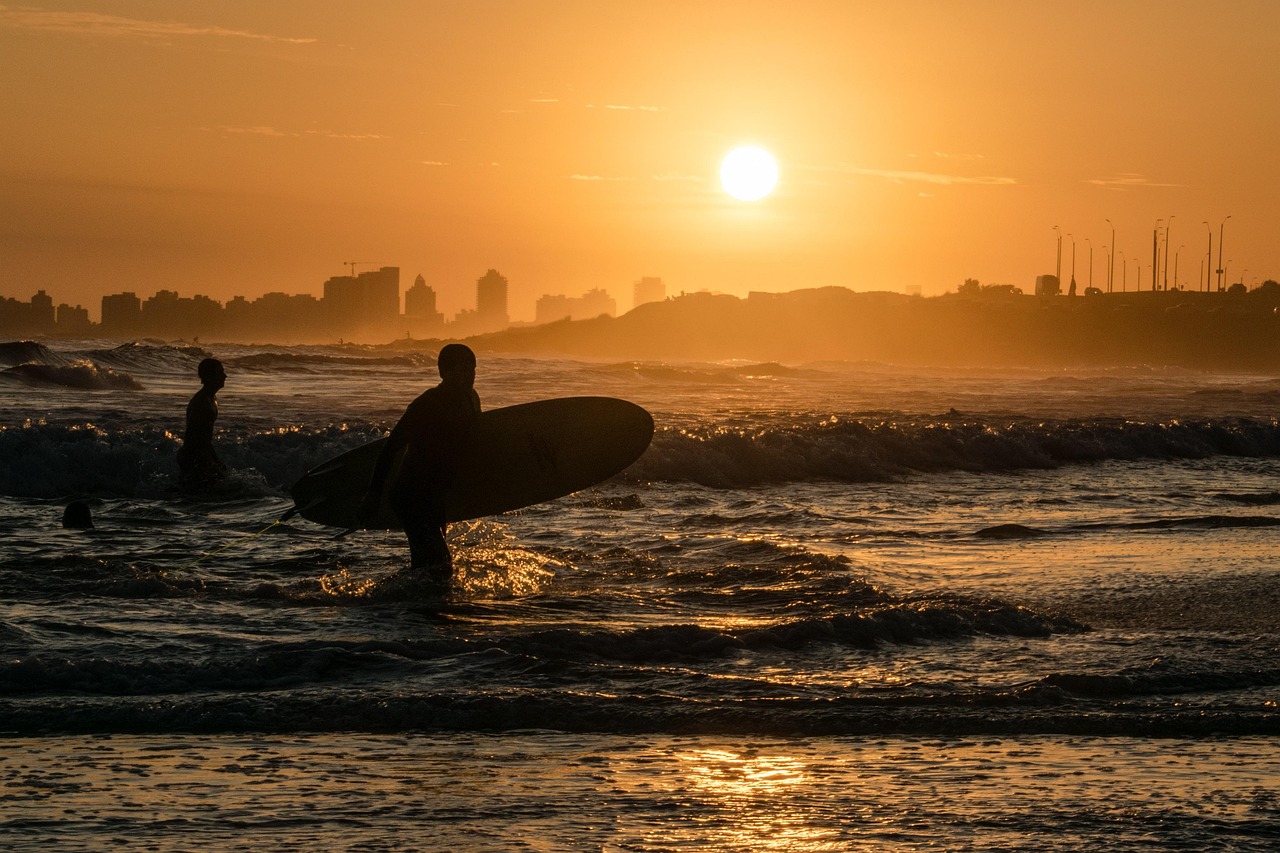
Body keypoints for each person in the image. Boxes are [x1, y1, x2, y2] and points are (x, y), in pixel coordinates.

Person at [358, 343, 480, 593]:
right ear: (443, 372)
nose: (469, 376)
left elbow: (469, 445)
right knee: (440, 566)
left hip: (435, 495)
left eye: (472, 369)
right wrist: (373, 494)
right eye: (462, 370)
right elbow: (391, 448)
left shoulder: (471, 398)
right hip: (411, 496)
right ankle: (380, 599)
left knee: (429, 565)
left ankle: (409, 605)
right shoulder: (427, 405)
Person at [177, 357, 228, 487]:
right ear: (209, 376)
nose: (225, 376)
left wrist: (215, 460)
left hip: (199, 453)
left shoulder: (211, 398)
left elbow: (205, 439)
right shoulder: (202, 402)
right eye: (220, 372)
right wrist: (208, 461)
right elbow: (195, 437)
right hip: (193, 455)